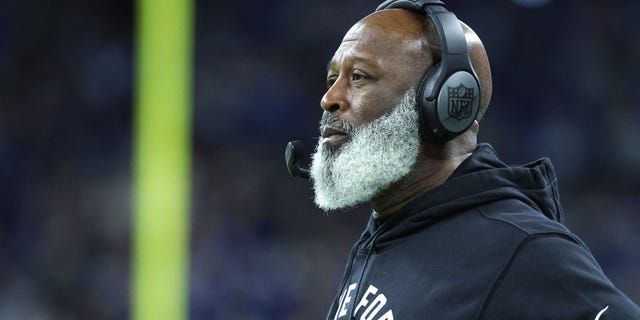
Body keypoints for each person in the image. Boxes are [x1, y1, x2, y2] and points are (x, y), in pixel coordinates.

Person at [305, 1, 640, 319]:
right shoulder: (384, 237)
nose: (329, 99)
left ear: (447, 103)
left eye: (359, 77)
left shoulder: (523, 250)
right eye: (332, 79)